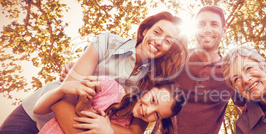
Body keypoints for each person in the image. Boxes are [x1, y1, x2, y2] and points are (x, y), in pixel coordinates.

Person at [0, 11, 188, 133]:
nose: (158, 41)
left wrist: (107, 129)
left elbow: (134, 132)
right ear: (145, 30)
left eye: (168, 41)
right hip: (38, 117)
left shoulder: (153, 82)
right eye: (157, 32)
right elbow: (65, 96)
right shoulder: (107, 43)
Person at [34, 76, 185, 134]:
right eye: (153, 100)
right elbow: (38, 110)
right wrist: (61, 89)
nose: (148, 111)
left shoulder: (126, 128)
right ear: (150, 87)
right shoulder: (109, 87)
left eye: (156, 115)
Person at [172, 6, 234, 133]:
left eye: (214, 24)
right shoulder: (176, 58)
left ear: (224, 30)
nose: (207, 29)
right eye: (201, 24)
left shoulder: (231, 71)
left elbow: (248, 106)